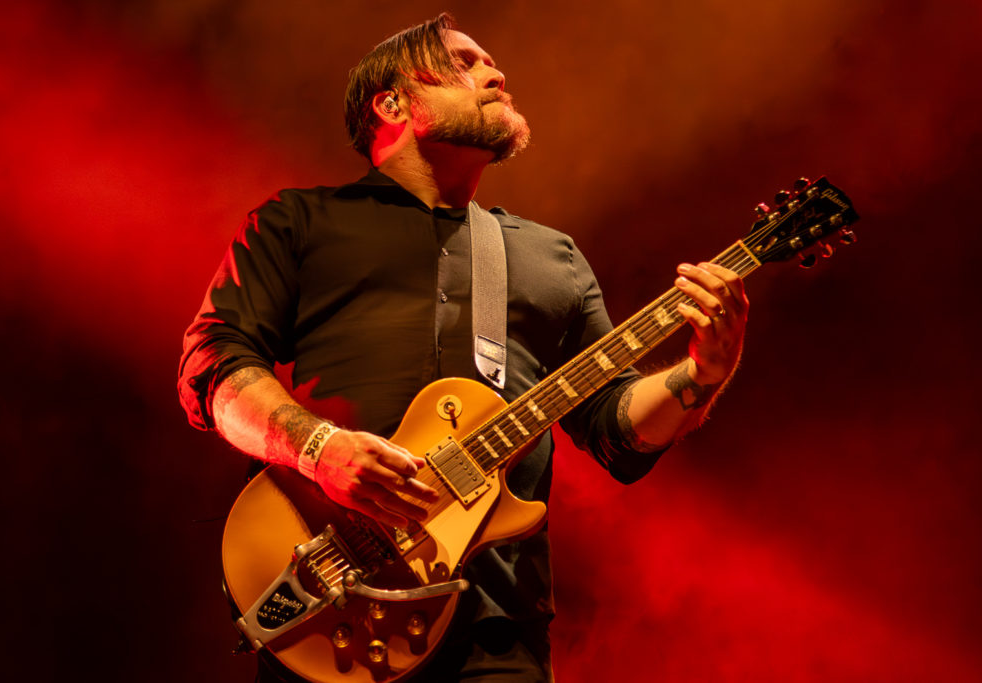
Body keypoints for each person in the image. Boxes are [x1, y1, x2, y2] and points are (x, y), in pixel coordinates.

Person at [178, 13, 747, 683]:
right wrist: (320, 449)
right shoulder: (296, 224)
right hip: (328, 602)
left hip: (495, 629)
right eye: (463, 64)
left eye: (492, 62)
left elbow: (612, 428)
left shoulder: (552, 259)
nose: (496, 74)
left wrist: (702, 374)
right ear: (393, 104)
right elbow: (213, 365)